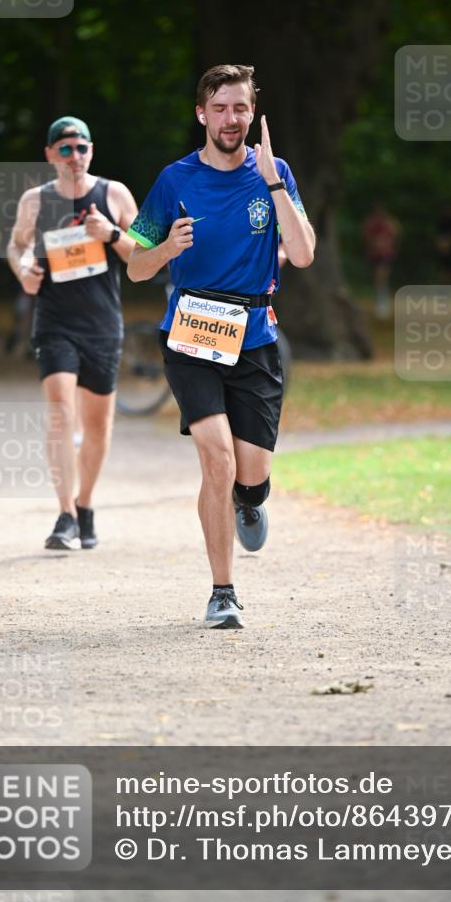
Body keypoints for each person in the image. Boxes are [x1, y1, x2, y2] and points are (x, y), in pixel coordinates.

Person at [127, 64, 315, 630]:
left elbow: (303, 254)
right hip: (191, 331)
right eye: (221, 108)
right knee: (217, 457)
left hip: (255, 337)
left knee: (248, 477)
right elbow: (136, 267)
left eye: (241, 108)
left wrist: (275, 183)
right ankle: (222, 591)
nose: (231, 119)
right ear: (201, 115)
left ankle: (250, 499)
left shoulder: (273, 172)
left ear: (252, 114)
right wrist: (164, 250)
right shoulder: (175, 180)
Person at [7, 116, 137, 550]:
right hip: (54, 319)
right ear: (50, 155)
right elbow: (17, 244)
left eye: (81, 148)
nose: (74, 156)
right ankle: (64, 515)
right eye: (65, 149)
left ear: (91, 151)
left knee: (98, 426)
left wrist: (112, 233)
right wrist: (23, 269)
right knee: (61, 409)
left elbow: (142, 255)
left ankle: (85, 506)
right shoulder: (35, 200)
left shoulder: (113, 194)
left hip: (102, 324)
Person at [361, 202, 401, 319]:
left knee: (381, 276)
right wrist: (374, 243)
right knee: (378, 279)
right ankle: (382, 301)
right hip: (375, 254)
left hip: (386, 254)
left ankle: (383, 304)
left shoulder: (389, 223)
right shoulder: (371, 223)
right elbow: (366, 236)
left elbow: (396, 233)